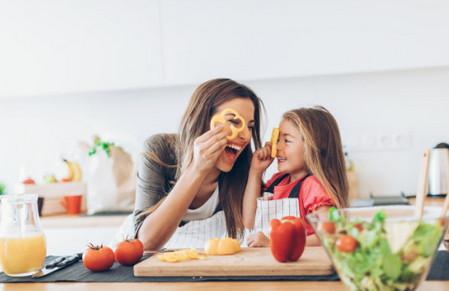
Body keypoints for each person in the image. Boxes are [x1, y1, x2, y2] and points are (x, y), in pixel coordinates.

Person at [132, 78, 265, 250]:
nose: (246, 136)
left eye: (250, 126)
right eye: (233, 122)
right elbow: (145, 243)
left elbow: (253, 229)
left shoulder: (245, 168)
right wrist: (197, 169)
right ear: (203, 119)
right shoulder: (160, 150)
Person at [242, 106, 348, 247]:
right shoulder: (278, 181)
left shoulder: (313, 186)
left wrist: (273, 243)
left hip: (298, 267)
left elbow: (330, 235)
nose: (277, 148)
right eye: (277, 140)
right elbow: (249, 221)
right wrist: (255, 172)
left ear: (313, 146)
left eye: (286, 141)